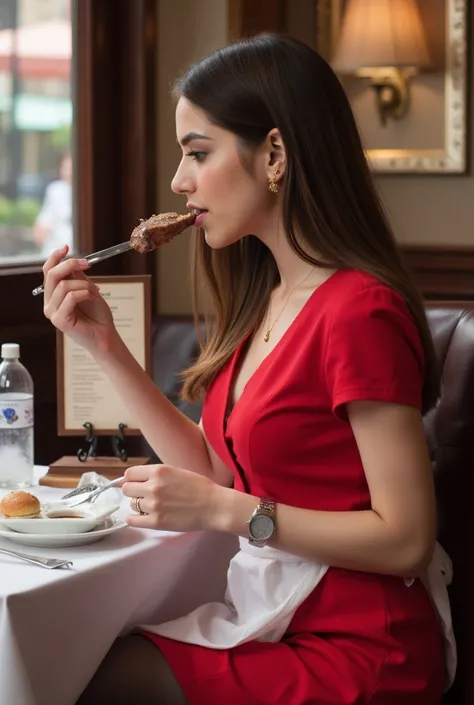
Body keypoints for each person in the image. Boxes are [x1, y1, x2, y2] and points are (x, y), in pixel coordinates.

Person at [41, 34, 455, 705]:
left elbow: (406, 537)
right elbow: (216, 470)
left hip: (361, 648)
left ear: (274, 155)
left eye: (198, 153)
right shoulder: (269, 302)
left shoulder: (358, 311)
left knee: (101, 676)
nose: (179, 182)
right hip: (274, 617)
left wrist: (224, 510)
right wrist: (105, 347)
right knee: (77, 658)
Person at [33, 150, 73, 258]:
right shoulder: (56, 190)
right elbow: (42, 224)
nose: (69, 172)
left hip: (75, 253)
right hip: (55, 251)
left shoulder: (86, 194)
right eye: (66, 168)